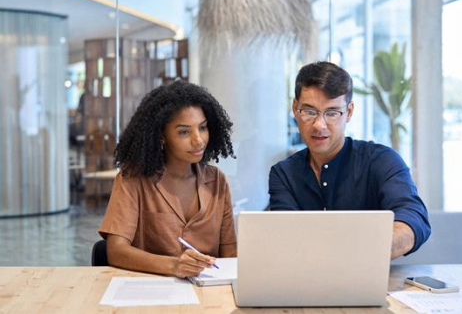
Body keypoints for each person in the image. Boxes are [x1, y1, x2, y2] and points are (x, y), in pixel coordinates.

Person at [267, 61, 431, 260]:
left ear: (349, 112)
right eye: (309, 112)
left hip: (371, 280)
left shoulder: (382, 161)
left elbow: (414, 218)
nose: (319, 125)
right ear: (295, 108)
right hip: (305, 284)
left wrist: (363, 252)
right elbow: (287, 238)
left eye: (332, 113)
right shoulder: (283, 174)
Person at [98, 80, 237, 278]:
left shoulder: (217, 182)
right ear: (161, 136)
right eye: (184, 132)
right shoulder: (133, 179)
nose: (198, 140)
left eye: (203, 127)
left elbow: (230, 255)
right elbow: (115, 251)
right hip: (150, 292)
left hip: (208, 293)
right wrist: (173, 266)